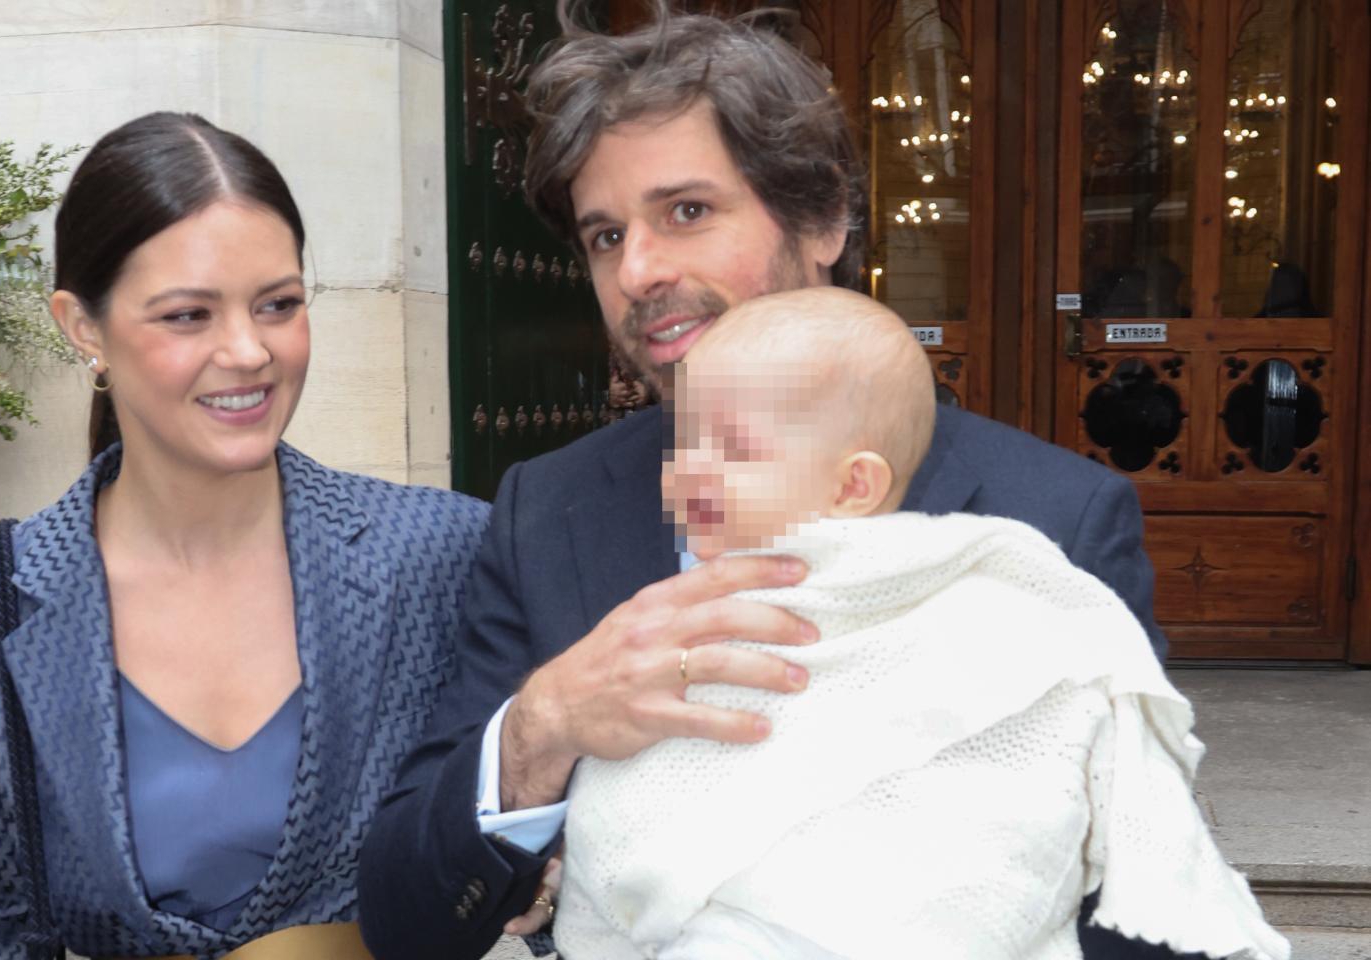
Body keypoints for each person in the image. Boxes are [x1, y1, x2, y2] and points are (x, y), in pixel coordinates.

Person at [358, 8, 1172, 959]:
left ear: (823, 219)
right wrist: (542, 729)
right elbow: (405, 921)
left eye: (687, 212)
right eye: (605, 236)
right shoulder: (549, 512)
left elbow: (1145, 906)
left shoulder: (1053, 519)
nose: (639, 270)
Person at [0, 112, 489, 959]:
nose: (248, 351)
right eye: (187, 316)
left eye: (278, 304)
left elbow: (536, 842)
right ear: (83, 327)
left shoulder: (442, 555)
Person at [552, 288, 1288, 960]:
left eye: (733, 450)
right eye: (684, 445)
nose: (687, 473)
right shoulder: (674, 616)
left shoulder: (968, 588)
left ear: (853, 486)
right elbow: (641, 788)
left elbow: (1043, 730)